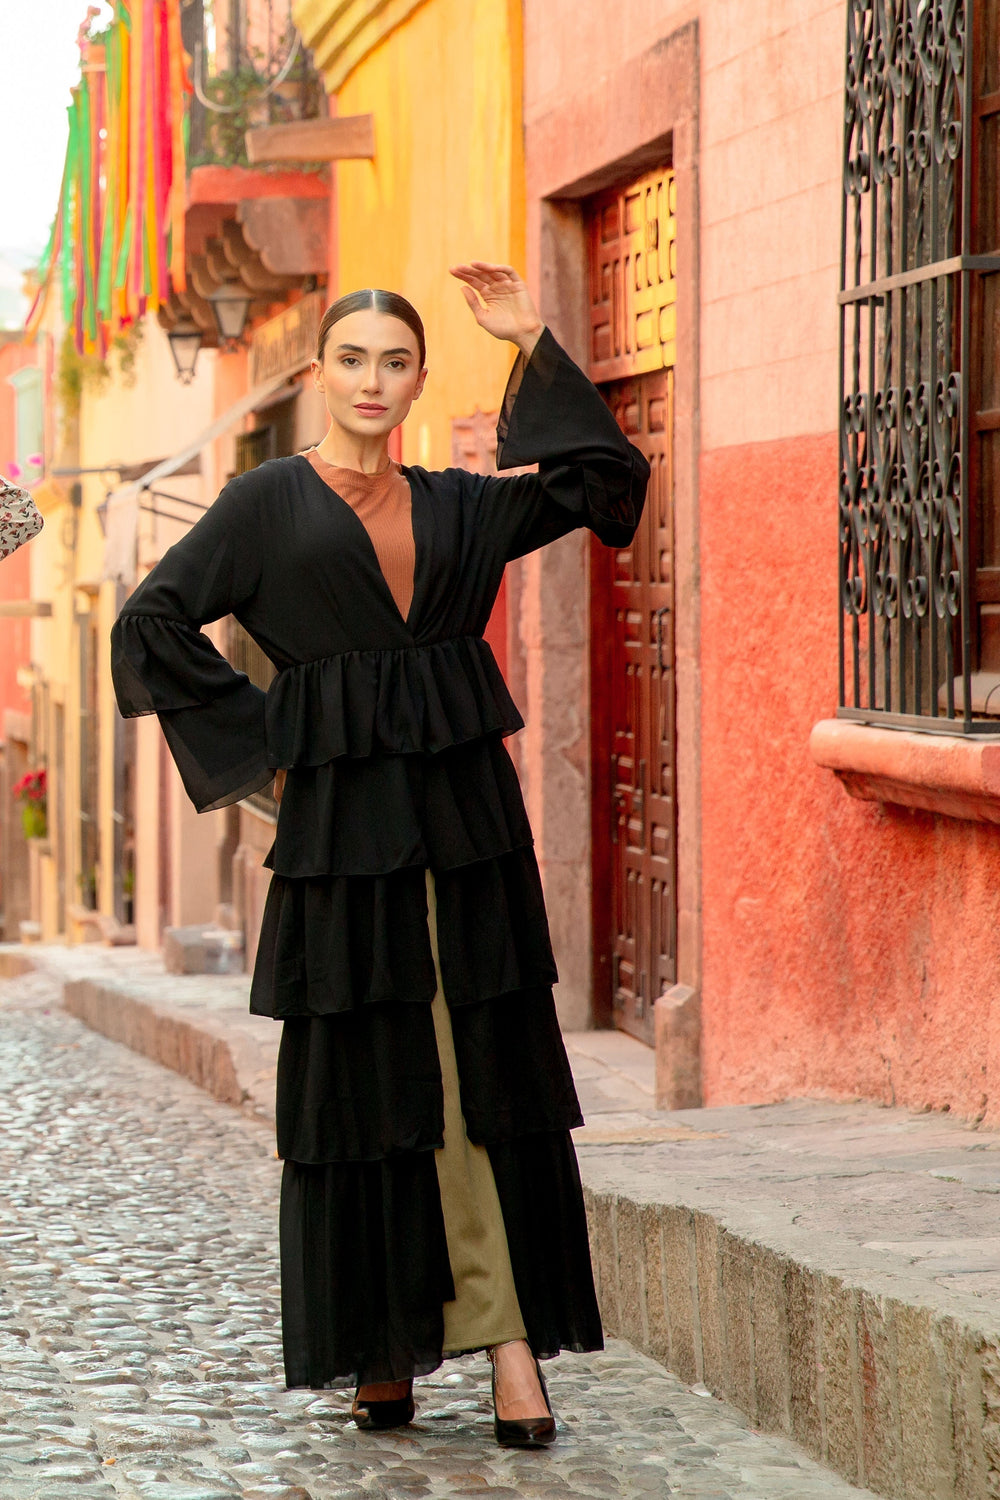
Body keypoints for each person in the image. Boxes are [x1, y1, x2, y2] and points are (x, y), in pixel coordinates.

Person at [111, 263, 649, 1448]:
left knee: (475, 1074)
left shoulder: (460, 508)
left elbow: (604, 484)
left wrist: (531, 341)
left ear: (416, 379)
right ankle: (383, 1343)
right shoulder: (264, 506)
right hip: (341, 847)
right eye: (351, 360)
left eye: (394, 362)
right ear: (319, 375)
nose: (371, 381)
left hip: (463, 837)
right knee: (367, 1089)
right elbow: (149, 623)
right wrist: (272, 748)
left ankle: (508, 1342)